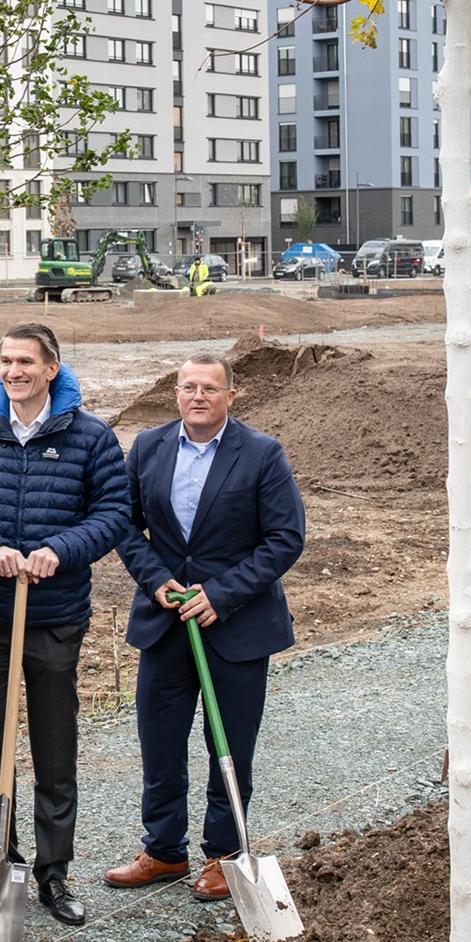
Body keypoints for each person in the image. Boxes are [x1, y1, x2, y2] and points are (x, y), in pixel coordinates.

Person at [0, 324, 130, 927]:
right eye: (5, 360)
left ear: (52, 367)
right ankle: (0, 860)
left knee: (55, 752)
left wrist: (60, 548)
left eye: (25, 360)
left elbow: (113, 513)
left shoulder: (90, 436)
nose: (12, 370)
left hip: (54, 616)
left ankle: (55, 875)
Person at [108, 352, 305, 902]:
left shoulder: (262, 454)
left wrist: (221, 595)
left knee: (231, 744)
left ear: (230, 396)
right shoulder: (149, 447)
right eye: (188, 387)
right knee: (160, 741)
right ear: (176, 393)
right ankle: (164, 850)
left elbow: (285, 539)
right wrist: (157, 581)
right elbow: (123, 523)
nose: (198, 397)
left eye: (210, 389)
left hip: (236, 628)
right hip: (167, 624)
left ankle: (225, 853)